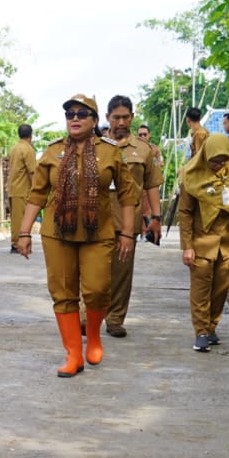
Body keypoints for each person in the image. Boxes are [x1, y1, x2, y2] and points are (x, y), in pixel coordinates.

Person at [15, 94, 139, 377]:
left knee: (97, 290)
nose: (74, 119)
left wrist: (128, 234)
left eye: (81, 114)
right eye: (70, 114)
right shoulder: (52, 152)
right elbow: (36, 195)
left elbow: (128, 194)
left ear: (94, 121)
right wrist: (24, 232)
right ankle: (73, 354)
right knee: (62, 293)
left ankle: (93, 335)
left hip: (98, 232)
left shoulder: (109, 151)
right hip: (57, 233)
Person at [178, 132, 229, 353]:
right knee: (201, 289)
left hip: (228, 240)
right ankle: (200, 331)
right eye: (214, 160)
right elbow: (185, 213)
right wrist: (187, 246)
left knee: (221, 287)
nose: (219, 165)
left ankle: (211, 327)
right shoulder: (192, 176)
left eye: (223, 160)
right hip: (202, 240)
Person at [100, 95, 161, 338]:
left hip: (128, 220)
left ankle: (115, 318)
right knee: (93, 270)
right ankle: (88, 313)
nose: (121, 122)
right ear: (108, 118)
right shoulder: (96, 146)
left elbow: (152, 185)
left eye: (126, 117)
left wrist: (155, 216)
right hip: (98, 218)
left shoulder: (143, 150)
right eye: (116, 117)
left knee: (122, 274)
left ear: (132, 117)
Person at [5, 123, 39, 253]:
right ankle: (17, 243)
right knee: (21, 218)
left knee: (15, 218)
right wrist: (36, 190)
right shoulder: (28, 149)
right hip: (23, 189)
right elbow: (32, 172)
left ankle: (15, 242)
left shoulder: (14, 148)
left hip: (13, 188)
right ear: (31, 134)